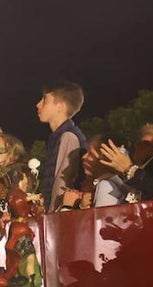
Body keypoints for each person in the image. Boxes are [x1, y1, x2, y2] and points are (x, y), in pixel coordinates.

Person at [35, 81, 86, 211]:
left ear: (60, 107)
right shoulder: (58, 137)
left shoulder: (68, 137)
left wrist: (52, 214)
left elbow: (63, 182)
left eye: (45, 101)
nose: (38, 105)